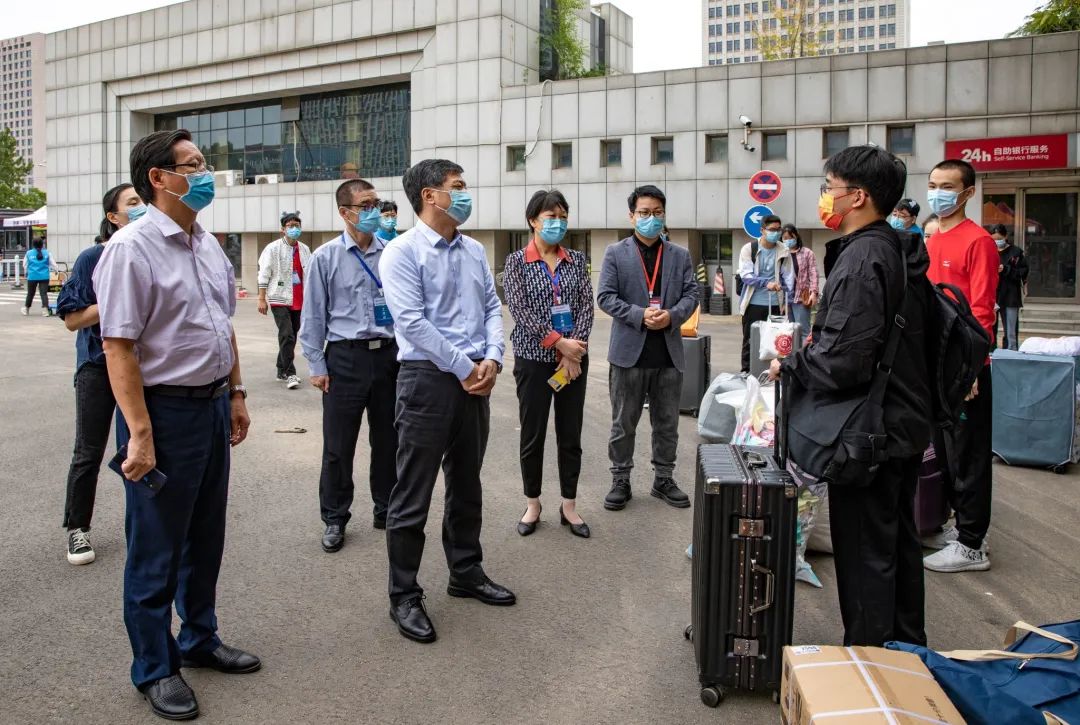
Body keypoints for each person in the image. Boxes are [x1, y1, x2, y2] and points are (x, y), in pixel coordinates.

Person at [93, 129, 259, 721]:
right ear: (158, 178)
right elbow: (118, 347)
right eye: (192, 165)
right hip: (162, 414)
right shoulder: (131, 248)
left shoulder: (207, 243)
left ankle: (199, 638)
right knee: (156, 547)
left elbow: (223, 326)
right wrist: (139, 432)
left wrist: (235, 393)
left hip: (211, 406)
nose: (205, 172)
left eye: (204, 161)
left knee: (205, 535)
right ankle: (155, 668)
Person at [771, 144, 932, 647]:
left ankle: (869, 664)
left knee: (865, 555)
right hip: (899, 423)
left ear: (857, 196)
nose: (824, 197)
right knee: (895, 546)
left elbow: (843, 360)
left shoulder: (863, 257)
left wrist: (788, 364)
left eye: (829, 188)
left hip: (869, 436)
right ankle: (905, 652)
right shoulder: (894, 246)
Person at [380, 159, 512, 644]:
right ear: (429, 196)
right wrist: (464, 366)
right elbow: (412, 322)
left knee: (467, 482)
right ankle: (404, 594)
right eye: (457, 186)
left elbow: (492, 307)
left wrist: (493, 358)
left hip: (476, 377)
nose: (465, 193)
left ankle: (466, 571)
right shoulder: (401, 252)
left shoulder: (474, 250)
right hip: (427, 381)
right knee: (412, 491)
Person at [299, 180, 398, 553]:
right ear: (345, 212)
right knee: (338, 445)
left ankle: (387, 509)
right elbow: (313, 316)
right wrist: (317, 364)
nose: (374, 211)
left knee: (389, 440)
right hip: (345, 358)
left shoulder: (392, 253)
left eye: (376, 203)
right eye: (365, 205)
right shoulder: (325, 257)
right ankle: (335, 517)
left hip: (388, 356)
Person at [55, 183, 146, 565]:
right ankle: (78, 528)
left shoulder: (149, 252)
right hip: (97, 365)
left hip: (143, 367)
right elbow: (72, 318)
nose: (141, 207)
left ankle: (147, 525)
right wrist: (113, 300)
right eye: (133, 203)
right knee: (89, 451)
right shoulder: (93, 257)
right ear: (113, 216)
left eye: (142, 200)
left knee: (143, 444)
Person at [596, 184, 699, 512]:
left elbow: (692, 294)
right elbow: (605, 297)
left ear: (664, 215)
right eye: (644, 212)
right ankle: (620, 479)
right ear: (632, 216)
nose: (651, 218)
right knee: (623, 422)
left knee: (667, 423)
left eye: (657, 212)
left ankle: (663, 479)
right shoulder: (616, 253)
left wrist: (672, 316)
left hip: (668, 353)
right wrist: (640, 315)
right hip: (629, 354)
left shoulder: (679, 255)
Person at [503, 189, 595, 539]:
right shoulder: (516, 261)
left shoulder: (576, 260)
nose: (558, 223)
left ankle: (569, 505)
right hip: (533, 360)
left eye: (562, 217)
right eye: (550, 217)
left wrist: (574, 352)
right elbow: (520, 310)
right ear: (533, 220)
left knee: (570, 435)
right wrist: (559, 344)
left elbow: (586, 306)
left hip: (574, 362)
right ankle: (533, 503)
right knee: (533, 434)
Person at [922, 158, 999, 574]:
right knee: (946, 451)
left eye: (948, 186)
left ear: (968, 193)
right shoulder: (933, 239)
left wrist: (972, 368)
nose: (938, 193)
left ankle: (972, 543)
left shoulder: (978, 241)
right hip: (938, 364)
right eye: (934, 184)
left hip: (966, 367)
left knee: (969, 455)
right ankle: (958, 526)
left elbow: (983, 311)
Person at [257, 211, 312, 389]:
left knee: (292, 335)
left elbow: (310, 274)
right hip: (278, 297)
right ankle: (290, 373)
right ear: (283, 229)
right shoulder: (273, 248)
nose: (294, 229)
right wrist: (261, 298)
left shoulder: (304, 249)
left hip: (299, 299)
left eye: (297, 226)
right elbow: (264, 273)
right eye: (290, 226)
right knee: (287, 334)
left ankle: (281, 369)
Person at [737, 214, 795, 373]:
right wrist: (765, 283)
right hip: (753, 303)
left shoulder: (784, 250)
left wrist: (787, 303)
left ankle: (772, 376)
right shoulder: (749, 249)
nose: (776, 233)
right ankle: (747, 373)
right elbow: (746, 275)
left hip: (776, 304)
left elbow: (789, 278)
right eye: (772, 229)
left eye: (778, 229)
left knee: (775, 342)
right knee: (750, 341)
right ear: (762, 230)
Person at [991, 223, 1027, 351]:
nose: (997, 241)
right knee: (990, 327)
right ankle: (991, 351)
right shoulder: (988, 251)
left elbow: (1023, 272)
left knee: (1010, 329)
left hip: (1011, 295)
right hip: (992, 294)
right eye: (994, 239)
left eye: (999, 238)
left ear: (1005, 236)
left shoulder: (1016, 252)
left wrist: (1006, 269)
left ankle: (1011, 351)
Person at [782, 224, 819, 334]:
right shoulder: (781, 253)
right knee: (788, 331)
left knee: (803, 330)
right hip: (784, 298)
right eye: (785, 238)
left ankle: (803, 346)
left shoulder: (807, 253)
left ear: (796, 236)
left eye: (791, 237)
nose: (788, 240)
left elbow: (813, 273)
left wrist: (814, 293)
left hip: (801, 297)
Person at [21, 238, 57, 316]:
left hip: (32, 276)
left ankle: (26, 309)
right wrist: (56, 270)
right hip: (44, 276)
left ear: (33, 244)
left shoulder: (28, 253)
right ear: (42, 244)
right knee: (43, 294)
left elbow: (25, 265)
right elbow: (53, 264)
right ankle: (45, 310)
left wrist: (26, 272)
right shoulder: (47, 253)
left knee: (30, 293)